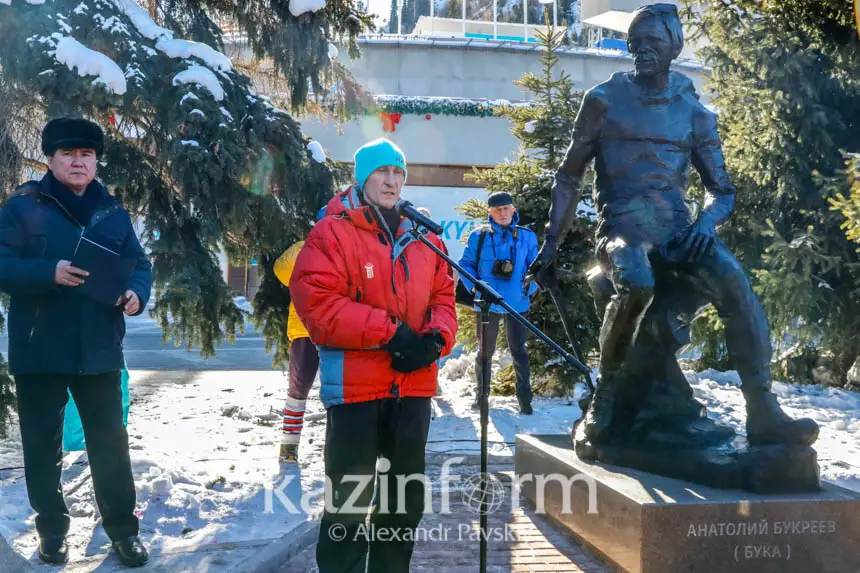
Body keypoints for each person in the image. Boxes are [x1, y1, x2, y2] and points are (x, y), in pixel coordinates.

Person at [527, 4, 818, 446]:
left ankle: (763, 411)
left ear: (674, 48)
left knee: (736, 284)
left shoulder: (695, 113)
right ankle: (606, 391)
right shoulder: (603, 101)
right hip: (621, 229)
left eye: (653, 44)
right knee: (638, 280)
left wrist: (705, 226)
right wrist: (550, 243)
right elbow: (568, 175)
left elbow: (722, 191)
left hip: (680, 232)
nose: (641, 51)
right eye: (635, 43)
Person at [290, 138, 457, 573]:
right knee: (348, 505)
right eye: (382, 173)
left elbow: (444, 294)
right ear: (362, 179)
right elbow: (318, 304)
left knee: (402, 505)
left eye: (398, 173)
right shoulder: (332, 230)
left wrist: (436, 339)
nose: (391, 181)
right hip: (355, 390)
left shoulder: (423, 233)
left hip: (413, 388)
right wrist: (392, 333)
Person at [0, 117, 152, 567]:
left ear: (96, 160)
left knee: (110, 445)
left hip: (99, 350)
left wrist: (135, 294)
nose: (78, 162)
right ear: (50, 158)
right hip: (39, 349)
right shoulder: (23, 207)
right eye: (68, 154)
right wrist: (49, 271)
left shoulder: (113, 211)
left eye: (87, 154)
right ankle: (52, 531)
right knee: (41, 449)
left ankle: (124, 532)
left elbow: (139, 264)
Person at [458, 192, 539, 414]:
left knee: (519, 351)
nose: (503, 213)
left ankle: (525, 400)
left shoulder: (527, 236)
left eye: (506, 208)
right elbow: (465, 264)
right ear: (490, 213)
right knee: (485, 351)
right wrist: (475, 289)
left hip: (517, 302)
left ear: (513, 210)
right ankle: (481, 397)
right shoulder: (479, 236)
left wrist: (529, 289)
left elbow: (538, 268)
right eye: (498, 209)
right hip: (487, 303)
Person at [273, 240, 320, 463]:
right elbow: (281, 269)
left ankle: (341, 447)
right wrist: (304, 249)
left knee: (344, 393)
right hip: (304, 329)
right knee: (298, 390)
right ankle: (289, 446)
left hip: (339, 328)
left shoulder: (349, 246)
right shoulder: (305, 247)